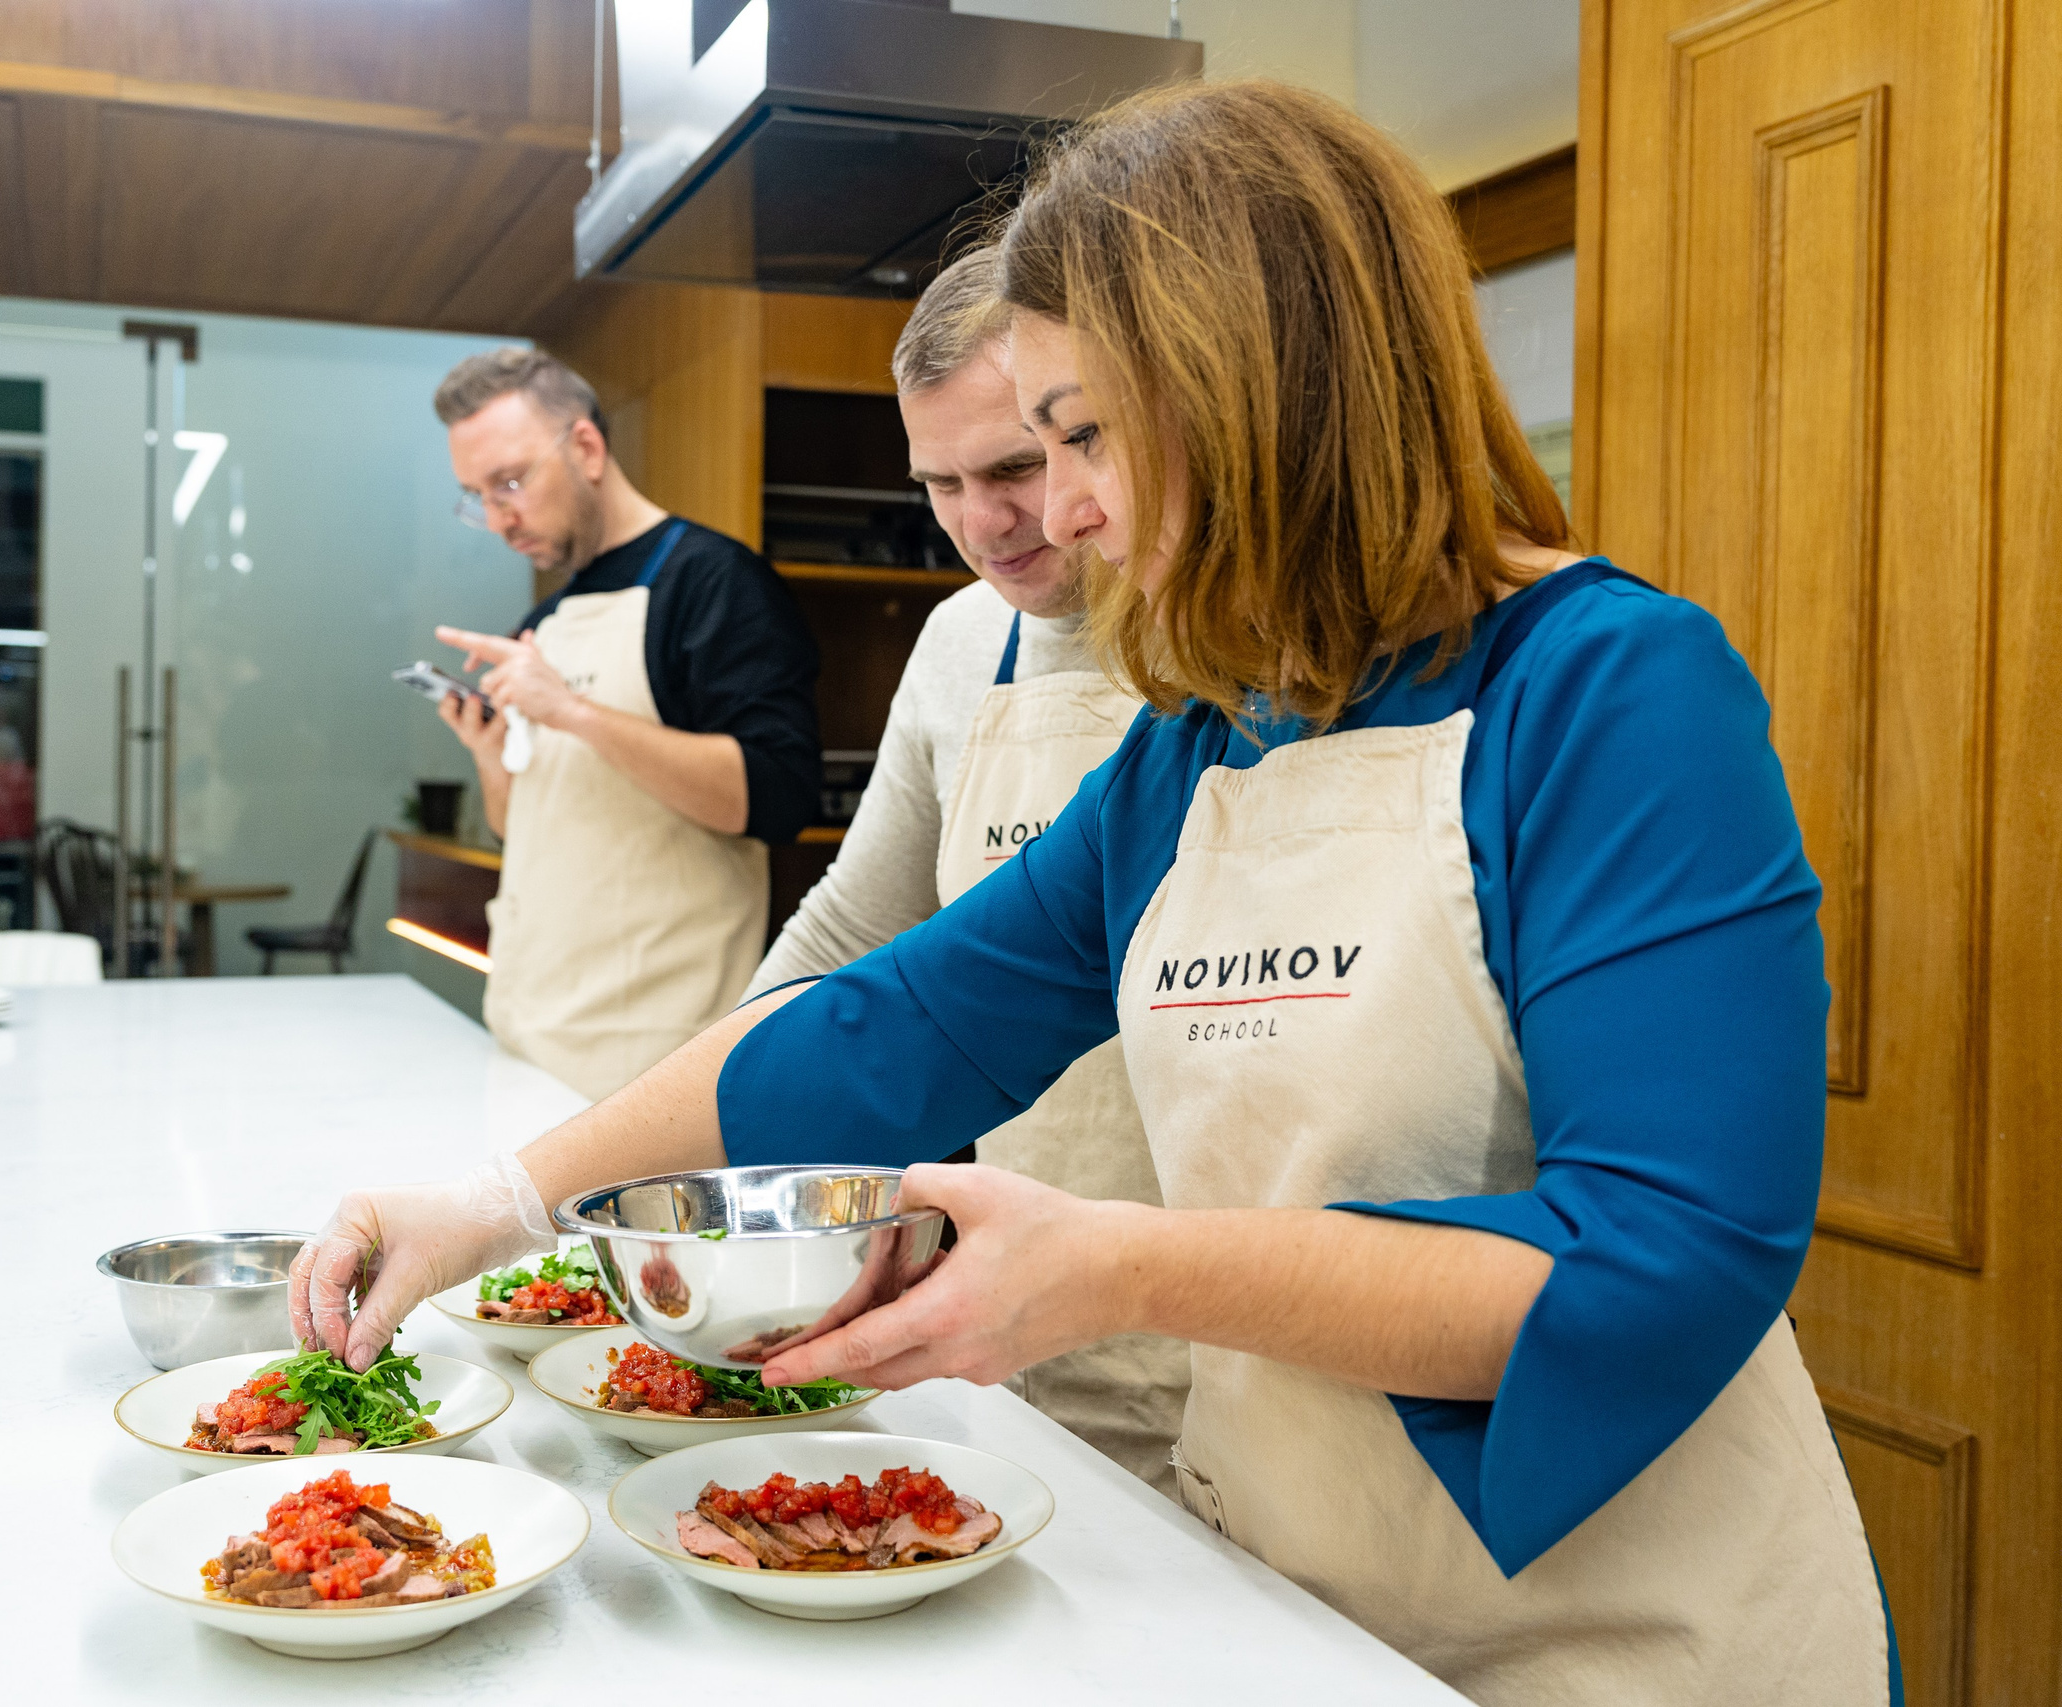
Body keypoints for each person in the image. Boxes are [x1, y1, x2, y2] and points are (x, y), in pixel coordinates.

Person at [298, 82, 1892, 1705]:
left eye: (1082, 435)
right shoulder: (1197, 750)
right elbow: (880, 1019)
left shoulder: (1613, 692)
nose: (1056, 511)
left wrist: (1120, 1264)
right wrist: (494, 1208)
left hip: (1626, 1642)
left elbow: (1661, 1259)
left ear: (1258, 387)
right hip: (1302, 1605)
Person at [750, 248, 1188, 1497]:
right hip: (1004, 1298)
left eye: (1012, 468)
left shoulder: (1212, 644)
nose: (982, 523)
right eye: (936, 483)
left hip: (1221, 1308)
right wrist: (669, 1134)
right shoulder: (958, 640)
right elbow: (855, 934)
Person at [427, 349, 822, 1101]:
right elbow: (531, 830)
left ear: (585, 447)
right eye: (477, 495)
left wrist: (572, 711)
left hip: (652, 1066)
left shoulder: (714, 583)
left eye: (510, 481)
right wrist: (493, 761)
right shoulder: (544, 619)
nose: (498, 518)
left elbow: (776, 797)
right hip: (523, 1032)